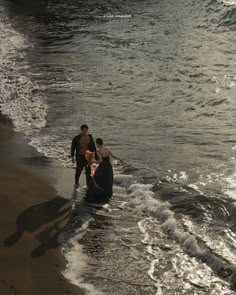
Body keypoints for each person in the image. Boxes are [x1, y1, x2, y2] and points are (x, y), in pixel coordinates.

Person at [85, 138, 124, 203]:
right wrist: (120, 159)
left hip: (102, 168)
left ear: (97, 143)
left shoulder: (99, 151)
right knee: (108, 181)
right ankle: (107, 195)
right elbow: (113, 156)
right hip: (108, 167)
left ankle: (100, 194)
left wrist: (92, 161)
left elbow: (100, 161)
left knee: (98, 179)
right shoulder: (108, 149)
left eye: (96, 143)